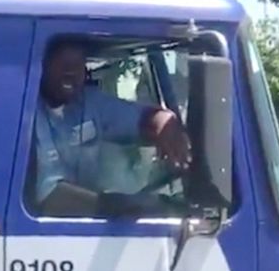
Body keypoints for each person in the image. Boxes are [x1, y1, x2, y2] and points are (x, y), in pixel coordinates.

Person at [31, 37, 191, 208]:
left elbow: (140, 119)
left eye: (78, 63)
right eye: (61, 63)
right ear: (41, 65)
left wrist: (164, 121)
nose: (70, 71)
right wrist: (122, 207)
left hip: (89, 225)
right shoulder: (28, 113)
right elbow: (49, 196)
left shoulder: (90, 103)